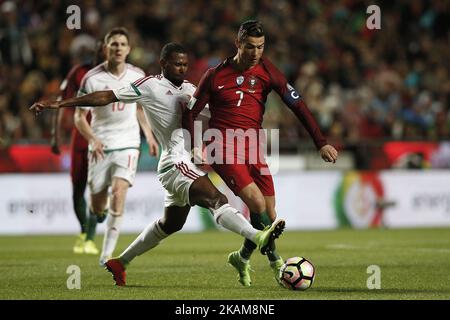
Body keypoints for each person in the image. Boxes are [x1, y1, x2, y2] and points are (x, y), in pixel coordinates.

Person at [30, 42, 286, 286]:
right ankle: (257, 236)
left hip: (185, 163)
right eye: (176, 64)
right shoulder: (149, 85)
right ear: (163, 63)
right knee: (217, 200)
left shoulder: (189, 89)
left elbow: (217, 114)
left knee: (172, 223)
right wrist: (61, 104)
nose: (182, 69)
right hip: (175, 162)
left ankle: (120, 262)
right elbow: (106, 96)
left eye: (185, 64)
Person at [182, 20, 338, 286]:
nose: (256, 52)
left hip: (253, 145)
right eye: (251, 46)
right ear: (238, 44)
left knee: (270, 214)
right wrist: (194, 144)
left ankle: (242, 257)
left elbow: (298, 106)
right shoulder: (215, 75)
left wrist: (320, 141)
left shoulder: (268, 72)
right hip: (221, 145)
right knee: (255, 204)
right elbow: (190, 113)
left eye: (261, 47)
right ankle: (278, 263)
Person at [74, 27, 158, 264]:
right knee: (98, 204)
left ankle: (106, 254)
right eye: (114, 44)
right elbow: (79, 116)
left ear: (129, 49)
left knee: (119, 192)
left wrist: (149, 136)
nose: (118, 48)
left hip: (128, 143)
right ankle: (98, 214)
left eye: (122, 44)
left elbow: (140, 109)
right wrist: (92, 138)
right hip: (100, 145)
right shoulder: (92, 78)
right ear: (105, 48)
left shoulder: (137, 75)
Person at [50, 41, 104, 255]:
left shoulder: (119, 74)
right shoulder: (79, 72)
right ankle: (84, 231)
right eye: (100, 48)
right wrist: (55, 135)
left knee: (97, 191)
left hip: (104, 138)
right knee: (77, 190)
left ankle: (90, 238)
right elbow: (61, 102)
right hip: (81, 138)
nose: (103, 52)